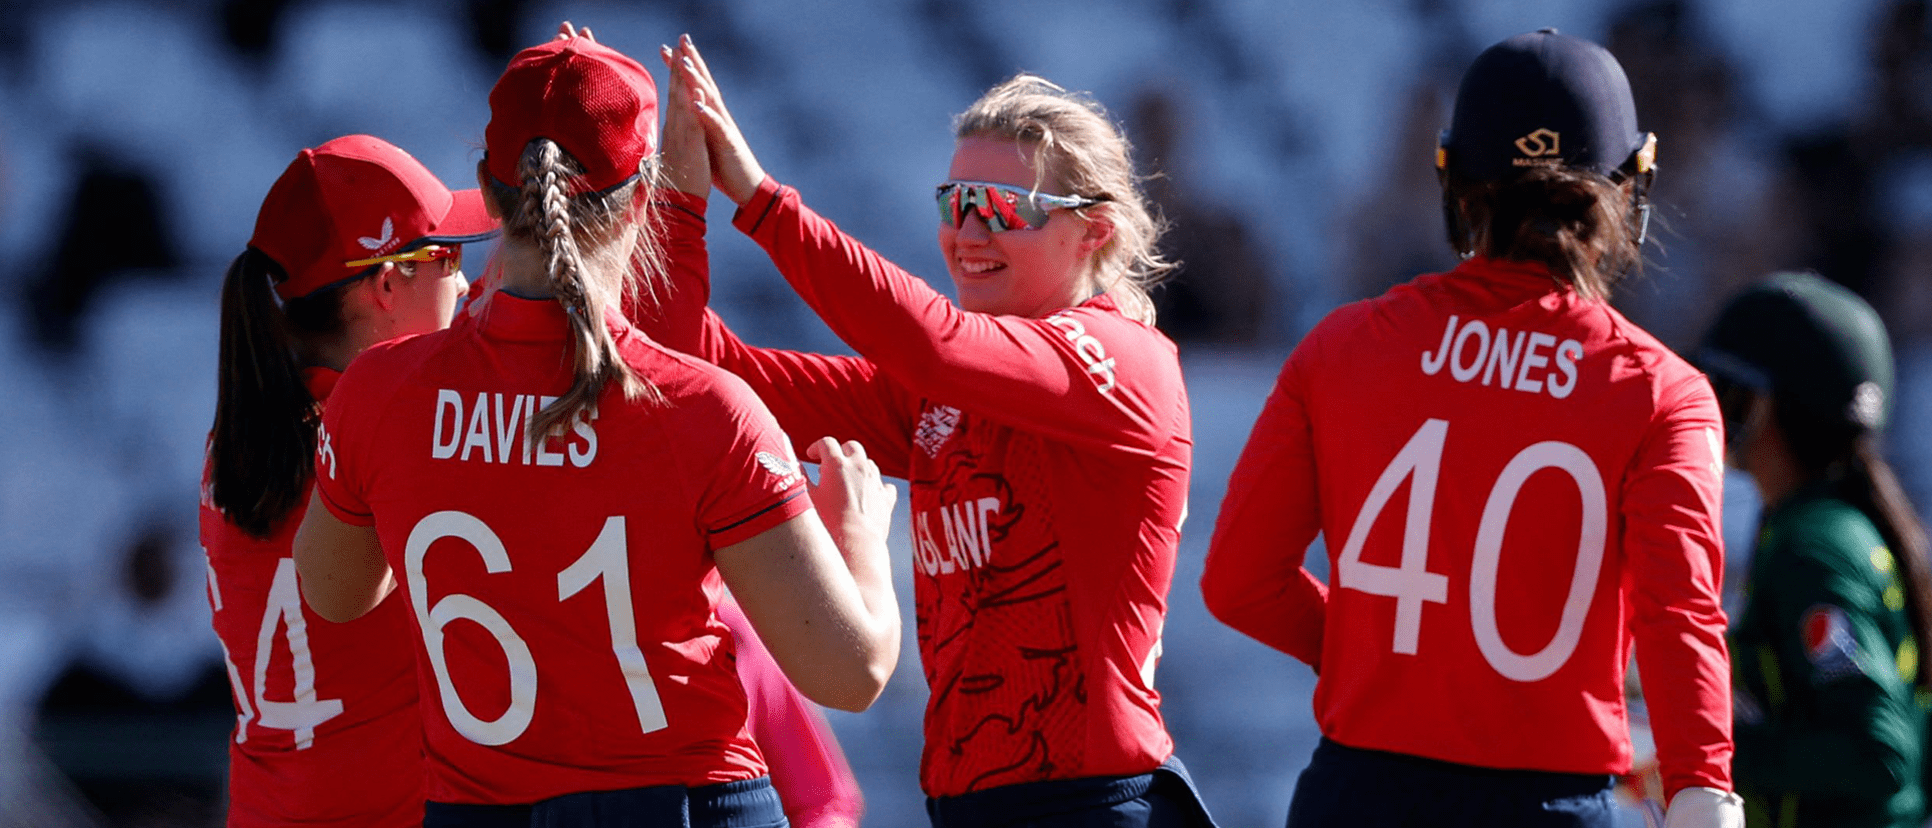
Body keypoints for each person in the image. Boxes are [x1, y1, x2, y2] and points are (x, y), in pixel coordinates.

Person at [290, 30, 901, 828]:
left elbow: (335, 594)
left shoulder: (381, 389)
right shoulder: (707, 409)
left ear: (486, 183)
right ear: (643, 198)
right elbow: (851, 674)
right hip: (684, 806)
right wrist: (857, 532)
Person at [653, 36, 1216, 828]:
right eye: (955, 204)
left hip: (1090, 806)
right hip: (969, 808)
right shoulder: (944, 393)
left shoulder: (1121, 361)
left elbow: (932, 340)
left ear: (1095, 232)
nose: (968, 233)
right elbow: (704, 369)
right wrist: (671, 206)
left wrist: (760, 201)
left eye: (1002, 210)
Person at [1200, 29, 1744, 828]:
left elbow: (1240, 582)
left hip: (1358, 797)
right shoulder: (1665, 394)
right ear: (1630, 188)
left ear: (1454, 184)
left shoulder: (1341, 346)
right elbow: (1680, 618)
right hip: (1548, 807)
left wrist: (1385, 657)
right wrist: (1702, 785)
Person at [201, 133, 496, 827]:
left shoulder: (242, 432)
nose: (463, 280)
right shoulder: (390, 432)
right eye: (447, 256)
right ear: (386, 285)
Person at [1698, 272, 1932, 828]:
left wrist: (1713, 749)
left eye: (1724, 387)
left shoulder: (1816, 544)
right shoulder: (1825, 523)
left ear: (1763, 406)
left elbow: (1878, 753)